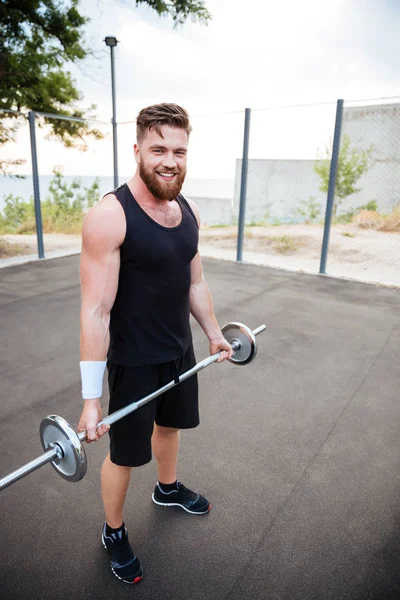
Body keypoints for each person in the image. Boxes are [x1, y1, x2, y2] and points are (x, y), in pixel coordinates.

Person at [77, 103, 233, 585]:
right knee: (124, 455)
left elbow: (194, 282)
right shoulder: (110, 217)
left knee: (171, 427)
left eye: (180, 151)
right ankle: (114, 530)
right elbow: (95, 311)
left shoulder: (187, 211)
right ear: (138, 149)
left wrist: (212, 333)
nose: (170, 160)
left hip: (178, 351)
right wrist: (90, 400)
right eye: (159, 149)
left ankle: (166, 489)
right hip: (133, 360)